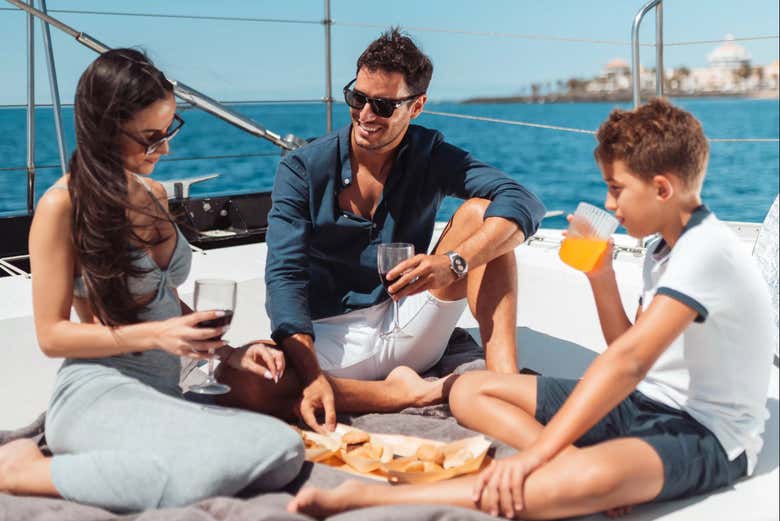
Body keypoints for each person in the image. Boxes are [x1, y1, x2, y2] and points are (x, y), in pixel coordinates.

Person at [286, 98, 775, 519]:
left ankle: (370, 502)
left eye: (617, 189)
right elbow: (627, 345)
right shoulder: (663, 247)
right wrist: (601, 275)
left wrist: (538, 452)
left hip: (705, 434)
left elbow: (628, 363)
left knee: (560, 486)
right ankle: (562, 465)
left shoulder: (705, 253)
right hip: (645, 405)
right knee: (466, 389)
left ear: (663, 189)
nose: (611, 204)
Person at [0, 49, 303, 513]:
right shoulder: (62, 206)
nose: (165, 150)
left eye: (169, 131)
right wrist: (159, 336)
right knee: (222, 466)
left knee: (280, 447)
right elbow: (51, 335)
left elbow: (165, 300)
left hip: (164, 393)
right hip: (99, 392)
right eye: (150, 138)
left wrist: (227, 351)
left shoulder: (153, 194)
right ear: (104, 129)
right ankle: (23, 471)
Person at [218, 28, 546, 432]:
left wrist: (453, 264)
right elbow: (283, 277)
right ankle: (407, 393)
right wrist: (309, 370)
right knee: (241, 381)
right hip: (328, 338)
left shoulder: (430, 155)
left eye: (383, 105)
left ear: (417, 106)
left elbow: (523, 201)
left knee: (484, 214)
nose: (366, 115)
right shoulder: (303, 169)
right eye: (357, 98)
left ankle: (505, 384)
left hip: (408, 319)